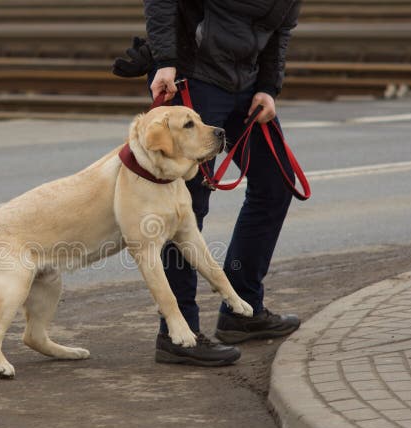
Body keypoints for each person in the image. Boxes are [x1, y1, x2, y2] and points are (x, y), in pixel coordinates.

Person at [122, 0, 303, 366]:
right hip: (196, 77)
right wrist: (164, 59)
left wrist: (269, 86)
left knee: (275, 185)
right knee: (187, 206)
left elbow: (279, 30)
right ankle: (179, 333)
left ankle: (242, 309)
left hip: (247, 84)